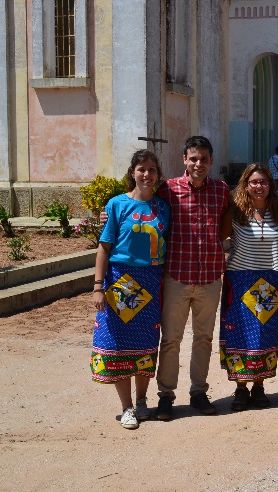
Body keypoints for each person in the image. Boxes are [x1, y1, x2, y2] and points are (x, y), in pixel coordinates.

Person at [91, 150, 170, 429]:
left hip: (151, 282)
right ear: (132, 173)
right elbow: (104, 248)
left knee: (146, 344)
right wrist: (98, 287)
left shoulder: (163, 208)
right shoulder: (116, 205)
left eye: (151, 169)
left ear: (158, 175)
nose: (146, 174)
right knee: (118, 343)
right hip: (120, 281)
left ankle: (141, 401)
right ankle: (126, 407)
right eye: (141, 169)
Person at [154, 136, 231, 420]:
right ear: (184, 160)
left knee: (203, 338)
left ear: (212, 161)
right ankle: (166, 395)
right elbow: (143, 208)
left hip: (210, 277)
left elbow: (225, 225)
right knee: (171, 338)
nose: (199, 164)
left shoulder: (221, 191)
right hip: (177, 275)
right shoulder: (168, 190)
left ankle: (198, 391)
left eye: (204, 159)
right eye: (193, 158)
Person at [220, 164, 278, 411]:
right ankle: (240, 388)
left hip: (269, 281)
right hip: (239, 280)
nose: (259, 187)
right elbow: (219, 239)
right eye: (254, 182)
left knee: (263, 335)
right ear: (246, 185)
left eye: (264, 182)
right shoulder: (235, 212)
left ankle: (259, 387)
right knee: (238, 334)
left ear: (271, 185)